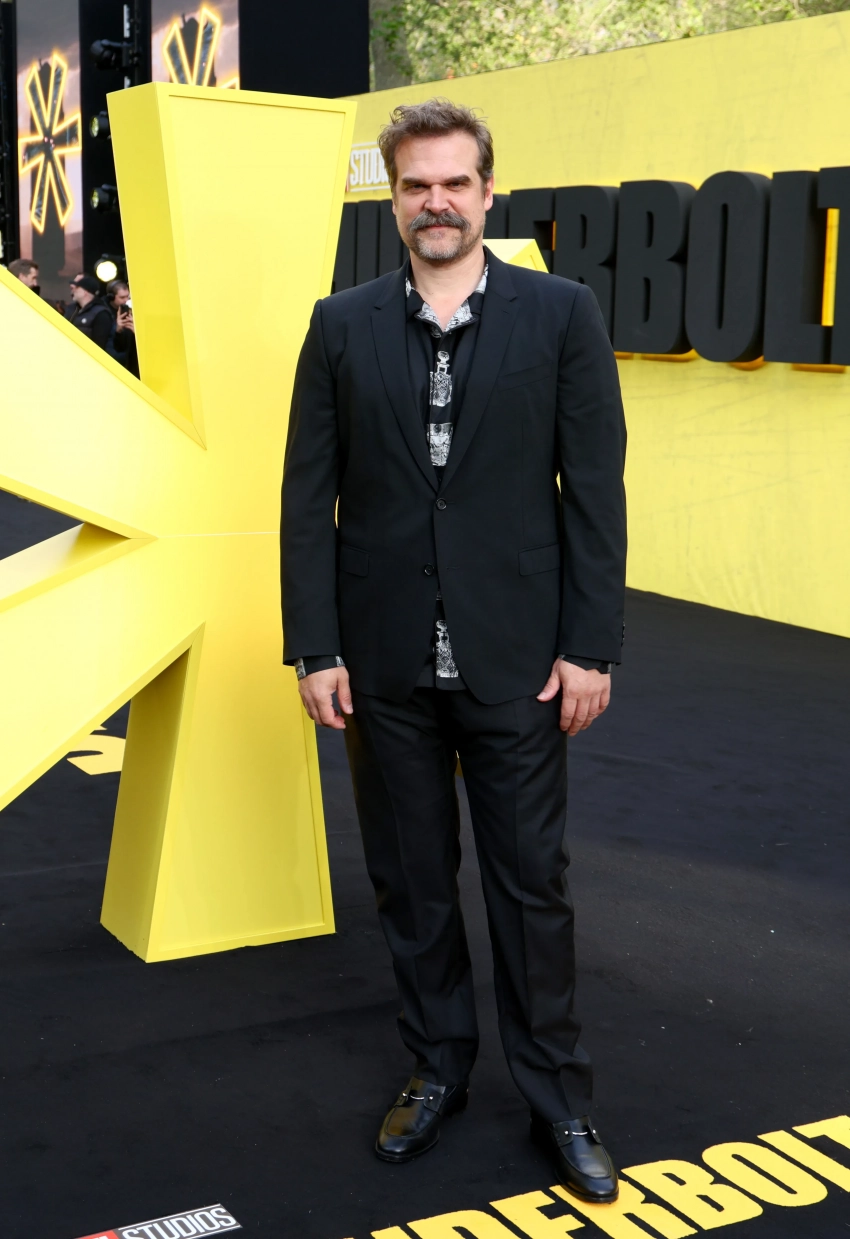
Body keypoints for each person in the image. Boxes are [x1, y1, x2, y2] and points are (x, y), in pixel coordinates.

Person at [281, 99, 626, 1202]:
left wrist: (591, 648)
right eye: (415, 185)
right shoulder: (340, 324)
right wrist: (315, 647)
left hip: (519, 659)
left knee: (531, 886)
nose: (436, 202)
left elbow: (595, 491)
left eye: (454, 183)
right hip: (381, 662)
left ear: (487, 191)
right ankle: (437, 1068)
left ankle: (559, 1098)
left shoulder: (561, 313)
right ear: (393, 199)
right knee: (412, 882)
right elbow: (307, 498)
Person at [66, 274, 113, 352]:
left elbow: (99, 345)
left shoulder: (101, 313)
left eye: (77, 288)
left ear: (85, 292)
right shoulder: (72, 309)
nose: (73, 290)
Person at [106, 278, 140, 377]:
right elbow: (118, 347)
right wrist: (118, 331)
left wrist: (137, 333)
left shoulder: (132, 311)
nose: (126, 301)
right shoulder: (105, 313)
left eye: (127, 297)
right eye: (122, 297)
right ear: (111, 297)